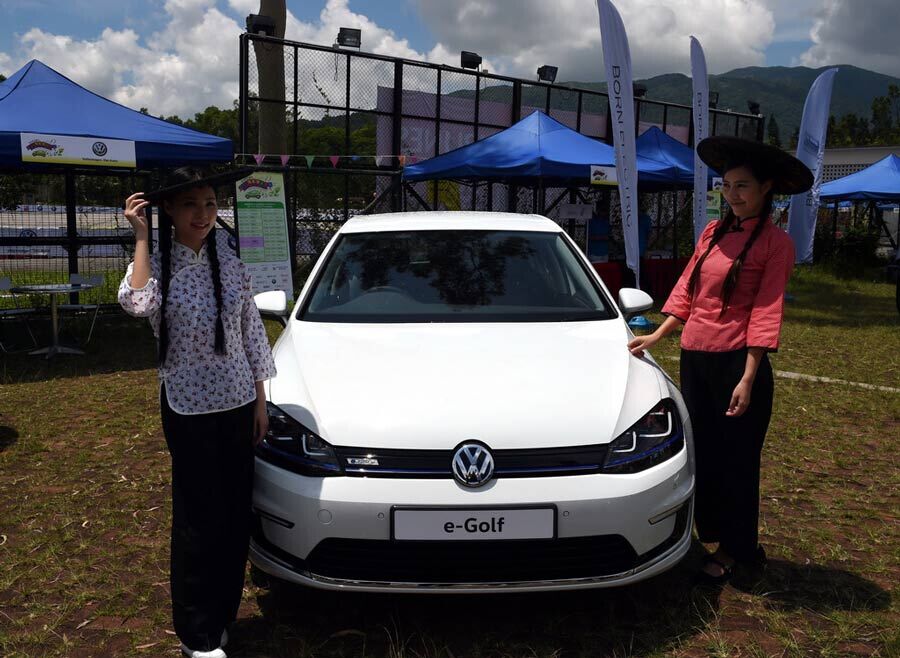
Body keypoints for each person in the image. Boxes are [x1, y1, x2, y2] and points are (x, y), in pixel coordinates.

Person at [627, 136, 813, 584]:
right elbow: (688, 288)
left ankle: (738, 549)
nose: (732, 195)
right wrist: (658, 333)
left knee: (738, 460)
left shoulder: (776, 244)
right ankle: (708, 533)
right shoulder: (713, 233)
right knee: (703, 452)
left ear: (767, 188)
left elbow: (767, 310)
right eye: (726, 186)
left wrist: (748, 377)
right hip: (696, 358)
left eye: (743, 186)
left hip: (736, 366)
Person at [118, 167, 275, 658]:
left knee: (232, 514)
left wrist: (260, 400)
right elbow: (136, 302)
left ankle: (222, 616)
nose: (204, 214)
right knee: (197, 519)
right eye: (191, 205)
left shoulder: (228, 259)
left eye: (210, 203)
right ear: (168, 209)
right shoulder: (157, 265)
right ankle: (196, 633)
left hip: (237, 404)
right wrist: (141, 237)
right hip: (188, 408)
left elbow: (249, 328)